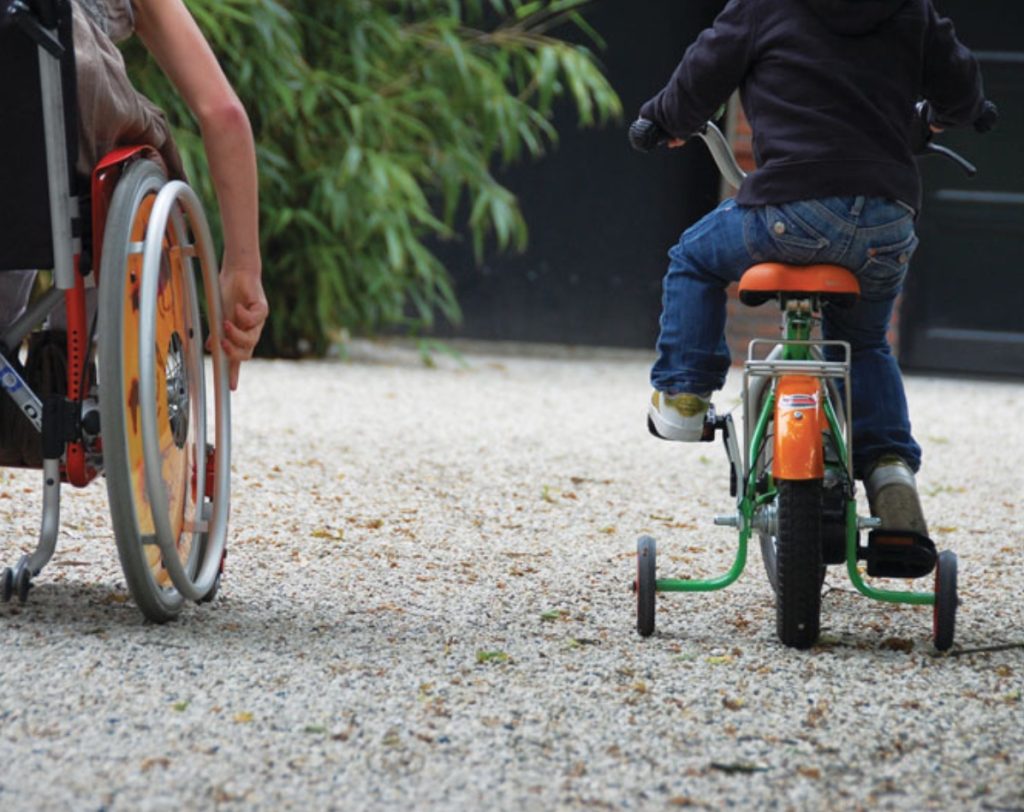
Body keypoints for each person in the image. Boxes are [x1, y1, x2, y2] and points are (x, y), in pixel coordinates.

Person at [637, 0, 994, 535]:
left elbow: (702, 72)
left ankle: (685, 397)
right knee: (866, 343)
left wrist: (664, 120)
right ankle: (890, 472)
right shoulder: (911, 9)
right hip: (886, 221)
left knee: (693, 257)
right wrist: (942, 117)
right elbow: (961, 88)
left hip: (791, 209)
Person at [0, 0, 267, 390]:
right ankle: (64, 361)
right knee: (114, 162)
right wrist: (243, 268)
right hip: (63, 99)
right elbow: (223, 113)